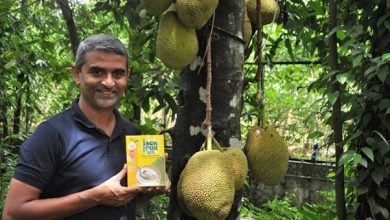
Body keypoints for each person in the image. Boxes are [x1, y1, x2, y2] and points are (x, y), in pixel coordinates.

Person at [2, 34, 170, 220]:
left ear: (128, 76)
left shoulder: (132, 135)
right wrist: (94, 197)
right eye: (97, 72)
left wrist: (150, 187)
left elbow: (123, 198)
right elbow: (13, 213)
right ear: (76, 73)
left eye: (118, 73)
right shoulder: (52, 134)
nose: (108, 82)